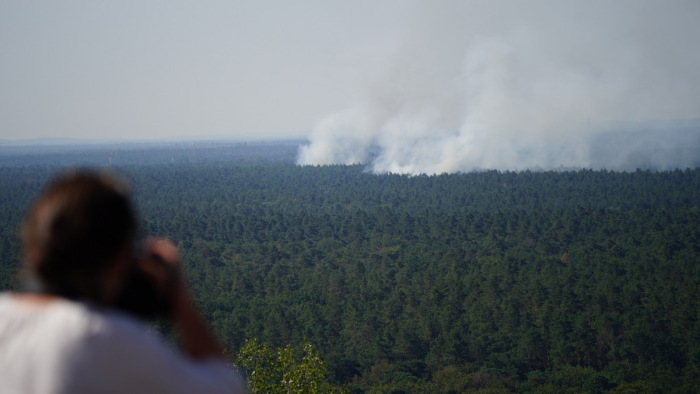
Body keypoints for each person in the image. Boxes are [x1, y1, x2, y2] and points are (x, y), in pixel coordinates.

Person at [0, 170, 246, 393]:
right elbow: (225, 388)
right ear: (120, 260)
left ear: (33, 248)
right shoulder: (100, 336)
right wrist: (177, 294)